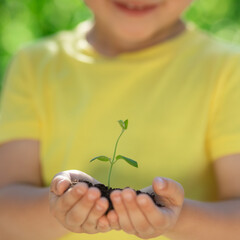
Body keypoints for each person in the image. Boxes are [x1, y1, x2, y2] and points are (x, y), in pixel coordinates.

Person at [0, 0, 240, 239]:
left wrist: (179, 219)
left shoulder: (229, 71)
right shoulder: (35, 65)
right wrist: (62, 205)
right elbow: (6, 216)